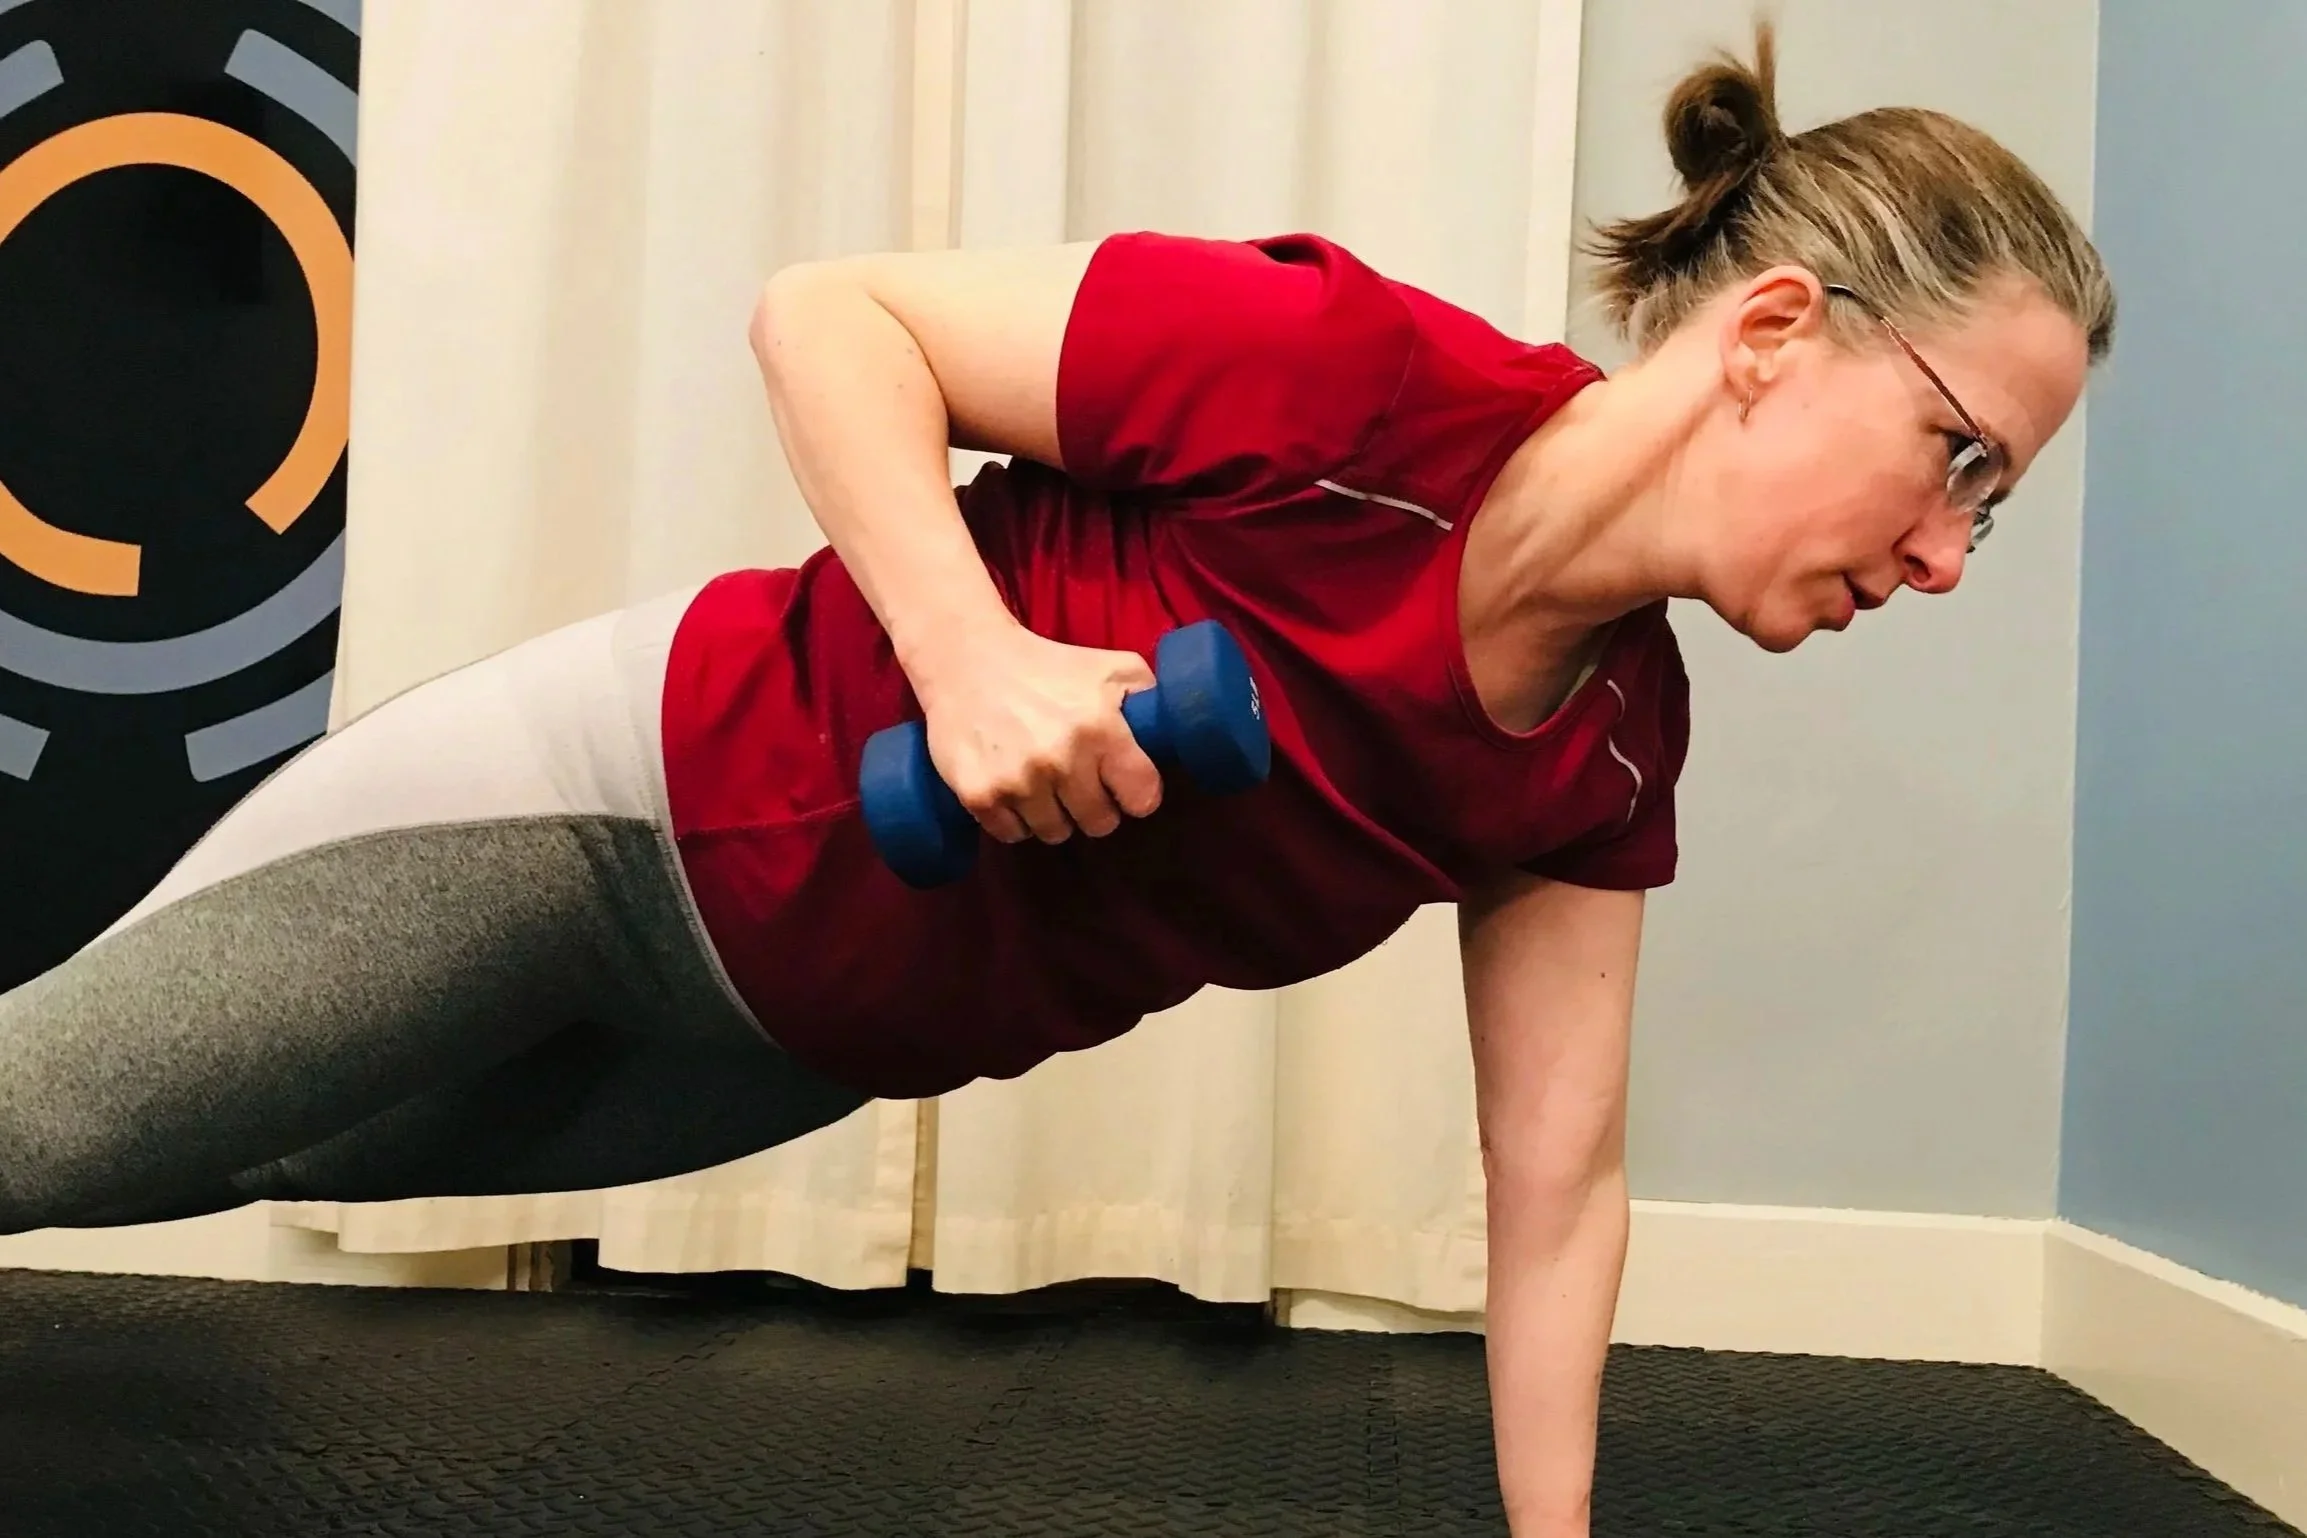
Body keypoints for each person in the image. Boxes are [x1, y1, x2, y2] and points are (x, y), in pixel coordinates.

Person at [0, 25, 2109, 1538]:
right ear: (1767, 336)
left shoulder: (1609, 744)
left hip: (780, 1050)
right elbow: (836, 318)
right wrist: (976, 656)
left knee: (172, 1162)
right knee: (49, 1114)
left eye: (1987, 517)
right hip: (598, 815)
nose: (1942, 558)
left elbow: (1554, 1190)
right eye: (1958, 462)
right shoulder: (1354, 383)